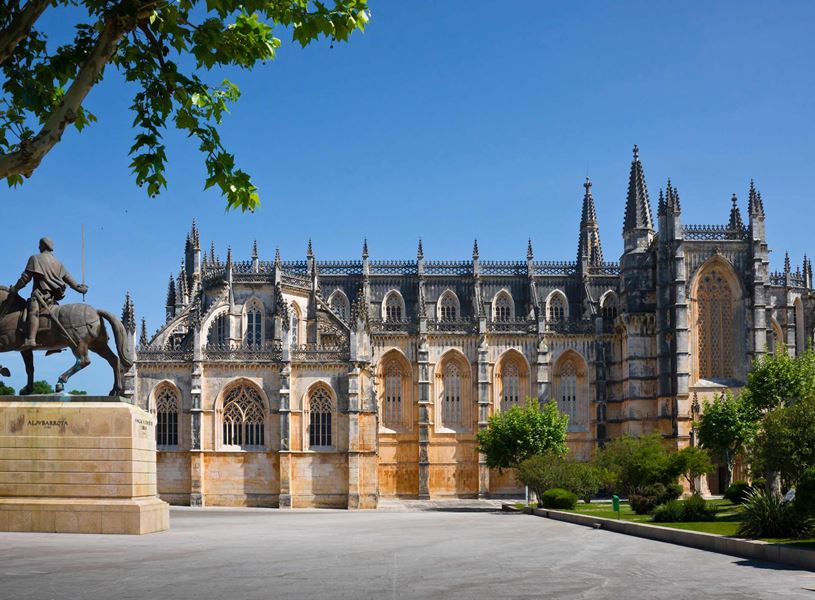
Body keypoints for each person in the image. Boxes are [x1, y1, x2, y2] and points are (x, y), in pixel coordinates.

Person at [10, 237, 88, 351]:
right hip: (51, 300)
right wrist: (80, 289)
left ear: (43, 246)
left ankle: (31, 339)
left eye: (39, 245)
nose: (38, 247)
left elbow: (25, 278)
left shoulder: (35, 258)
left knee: (33, 312)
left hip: (39, 297)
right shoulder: (58, 263)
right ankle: (54, 346)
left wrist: (15, 289)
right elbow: (70, 280)